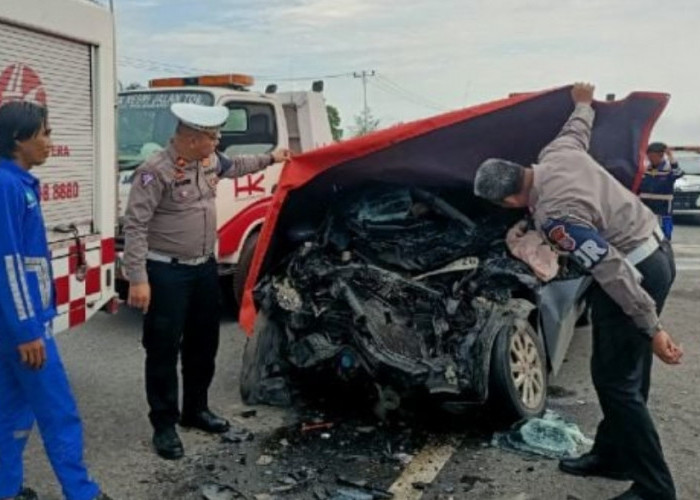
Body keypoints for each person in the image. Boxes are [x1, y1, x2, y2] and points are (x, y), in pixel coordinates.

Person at [473, 83, 682, 500]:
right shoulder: (557, 154)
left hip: (636, 271)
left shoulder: (555, 216)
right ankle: (613, 455)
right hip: (653, 248)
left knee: (618, 382)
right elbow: (576, 128)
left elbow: (611, 269)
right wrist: (583, 103)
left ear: (511, 199)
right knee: (618, 371)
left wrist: (651, 326)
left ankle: (655, 489)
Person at [123, 102, 289, 460]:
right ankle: (164, 426)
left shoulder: (210, 160)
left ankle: (195, 410)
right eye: (212, 137)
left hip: (203, 270)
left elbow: (239, 166)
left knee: (203, 344)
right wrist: (137, 278)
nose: (217, 142)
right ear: (190, 137)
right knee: (163, 350)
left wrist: (274, 158)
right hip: (165, 272)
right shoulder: (154, 172)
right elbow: (135, 225)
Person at [0, 101, 111, 500]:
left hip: (14, 328)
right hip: (23, 331)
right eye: (45, 133)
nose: (50, 142)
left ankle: (6, 489)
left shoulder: (16, 183)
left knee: (10, 414)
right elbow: (8, 265)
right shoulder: (8, 186)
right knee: (58, 414)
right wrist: (29, 331)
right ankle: (82, 493)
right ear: (19, 139)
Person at [639, 142, 684, 240]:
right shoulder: (645, 169)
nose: (650, 159)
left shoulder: (668, 169)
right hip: (646, 206)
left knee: (665, 230)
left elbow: (678, 173)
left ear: (661, 155)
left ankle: (665, 244)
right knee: (646, 231)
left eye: (653, 156)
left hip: (663, 207)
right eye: (649, 156)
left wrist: (670, 156)